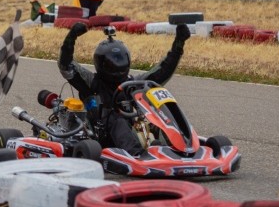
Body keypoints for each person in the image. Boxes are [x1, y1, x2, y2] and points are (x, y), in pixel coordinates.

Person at [58, 22, 191, 156]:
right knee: (118, 121)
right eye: (112, 60)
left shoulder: (131, 83)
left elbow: (162, 72)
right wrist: (71, 37)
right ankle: (139, 155)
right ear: (101, 63)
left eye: (120, 58)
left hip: (130, 130)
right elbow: (66, 65)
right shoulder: (91, 83)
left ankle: (180, 148)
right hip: (101, 135)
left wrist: (179, 44)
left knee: (159, 119)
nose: (117, 63)